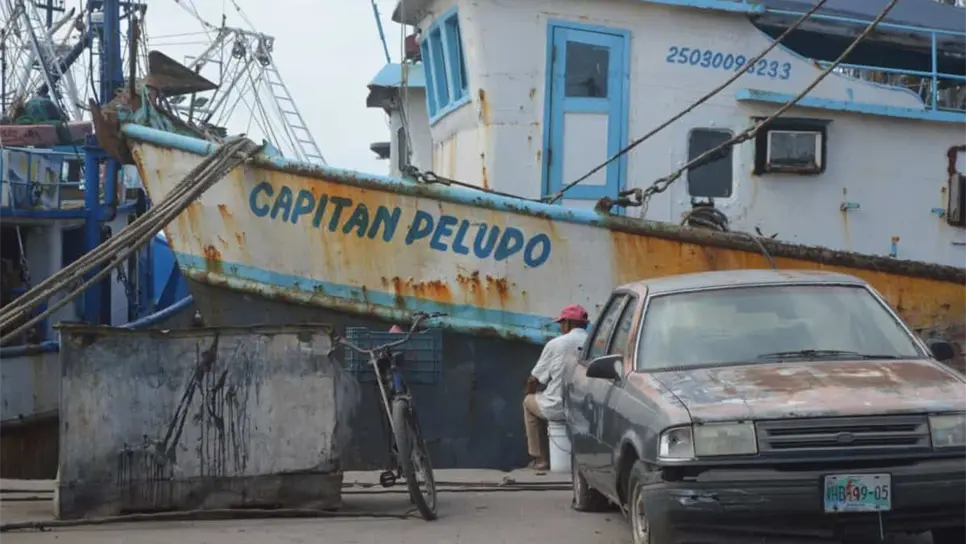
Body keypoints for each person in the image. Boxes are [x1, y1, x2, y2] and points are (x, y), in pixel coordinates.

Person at [523, 303, 590, 470]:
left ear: (566, 323)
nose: (561, 327)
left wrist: (530, 392)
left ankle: (541, 458)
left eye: (561, 324)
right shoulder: (596, 344)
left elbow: (534, 379)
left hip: (557, 406)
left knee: (528, 403)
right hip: (587, 408)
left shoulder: (557, 343)